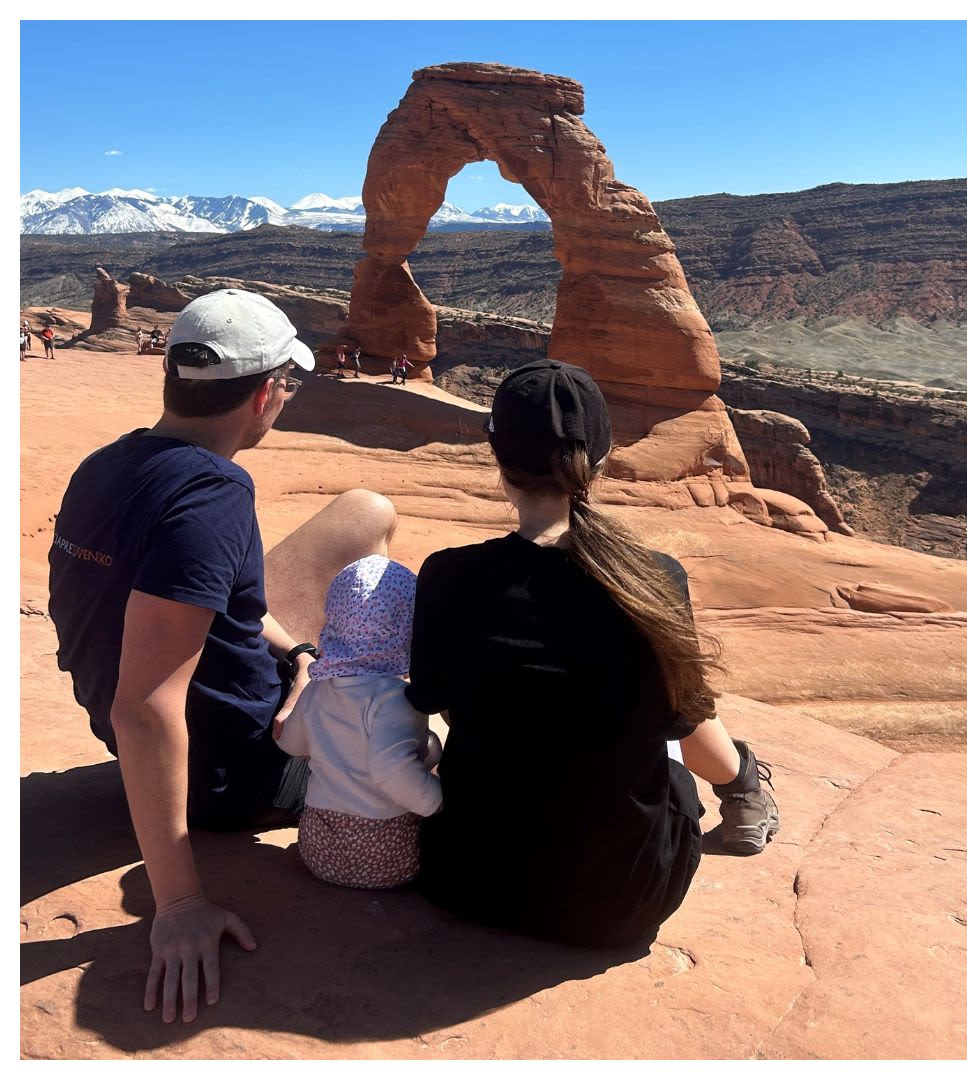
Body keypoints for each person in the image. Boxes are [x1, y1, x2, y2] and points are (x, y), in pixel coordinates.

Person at [48, 289, 397, 1024]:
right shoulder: (214, 494)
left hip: (177, 721)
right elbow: (145, 708)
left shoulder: (105, 464)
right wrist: (177, 902)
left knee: (366, 512)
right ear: (267, 394)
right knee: (387, 609)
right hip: (242, 775)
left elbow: (194, 601)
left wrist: (299, 650)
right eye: (288, 388)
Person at [405, 359, 779, 949]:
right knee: (676, 773)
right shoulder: (654, 581)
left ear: (498, 462)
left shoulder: (448, 576)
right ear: (600, 463)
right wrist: (736, 781)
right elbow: (687, 728)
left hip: (467, 880)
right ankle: (748, 788)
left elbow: (431, 707)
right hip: (617, 907)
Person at [277, 556, 443, 888]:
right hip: (385, 855)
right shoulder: (395, 698)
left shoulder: (319, 688)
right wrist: (440, 802)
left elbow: (291, 743)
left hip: (319, 848)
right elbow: (392, 770)